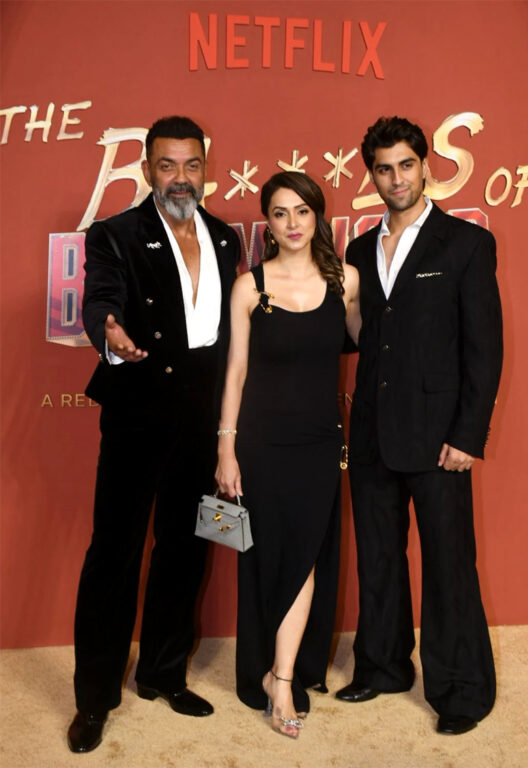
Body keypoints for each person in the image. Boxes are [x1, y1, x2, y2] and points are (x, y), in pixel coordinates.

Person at [67, 116, 240, 753]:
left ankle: (163, 673)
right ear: (147, 170)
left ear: (205, 169)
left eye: (191, 165)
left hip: (202, 423)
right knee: (113, 557)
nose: (180, 178)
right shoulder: (114, 234)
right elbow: (100, 298)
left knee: (186, 551)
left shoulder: (225, 239)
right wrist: (109, 331)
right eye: (167, 166)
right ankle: (94, 699)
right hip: (137, 419)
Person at [336, 116, 503, 735]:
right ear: (372, 175)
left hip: (439, 438)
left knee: (449, 564)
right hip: (373, 432)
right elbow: (363, 338)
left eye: (406, 165)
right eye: (384, 169)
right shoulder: (358, 250)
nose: (396, 178)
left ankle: (461, 690)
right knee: (378, 557)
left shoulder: (465, 243)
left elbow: (484, 349)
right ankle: (382, 666)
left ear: (426, 167)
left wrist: (467, 436)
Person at [215, 171, 360, 739]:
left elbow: (374, 342)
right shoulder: (249, 288)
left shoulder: (345, 280)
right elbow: (236, 372)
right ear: (267, 224)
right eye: (280, 213)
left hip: (320, 445)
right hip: (260, 445)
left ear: (317, 215)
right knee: (267, 559)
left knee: (304, 560)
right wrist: (226, 447)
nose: (293, 223)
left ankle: (281, 678)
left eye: (302, 210)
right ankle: (275, 674)